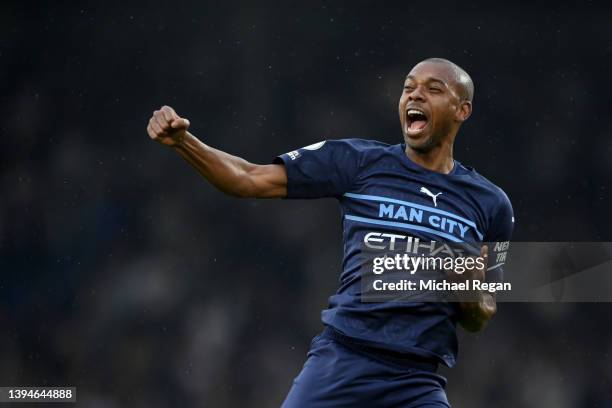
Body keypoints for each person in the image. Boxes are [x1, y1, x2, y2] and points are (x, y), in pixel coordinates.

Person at [146, 57, 514, 407]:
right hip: (343, 362)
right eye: (408, 88)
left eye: (433, 89)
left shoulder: (492, 205)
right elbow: (247, 178)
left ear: (462, 110)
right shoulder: (357, 162)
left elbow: (484, 312)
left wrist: (469, 292)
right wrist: (184, 143)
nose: (415, 95)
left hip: (416, 382)